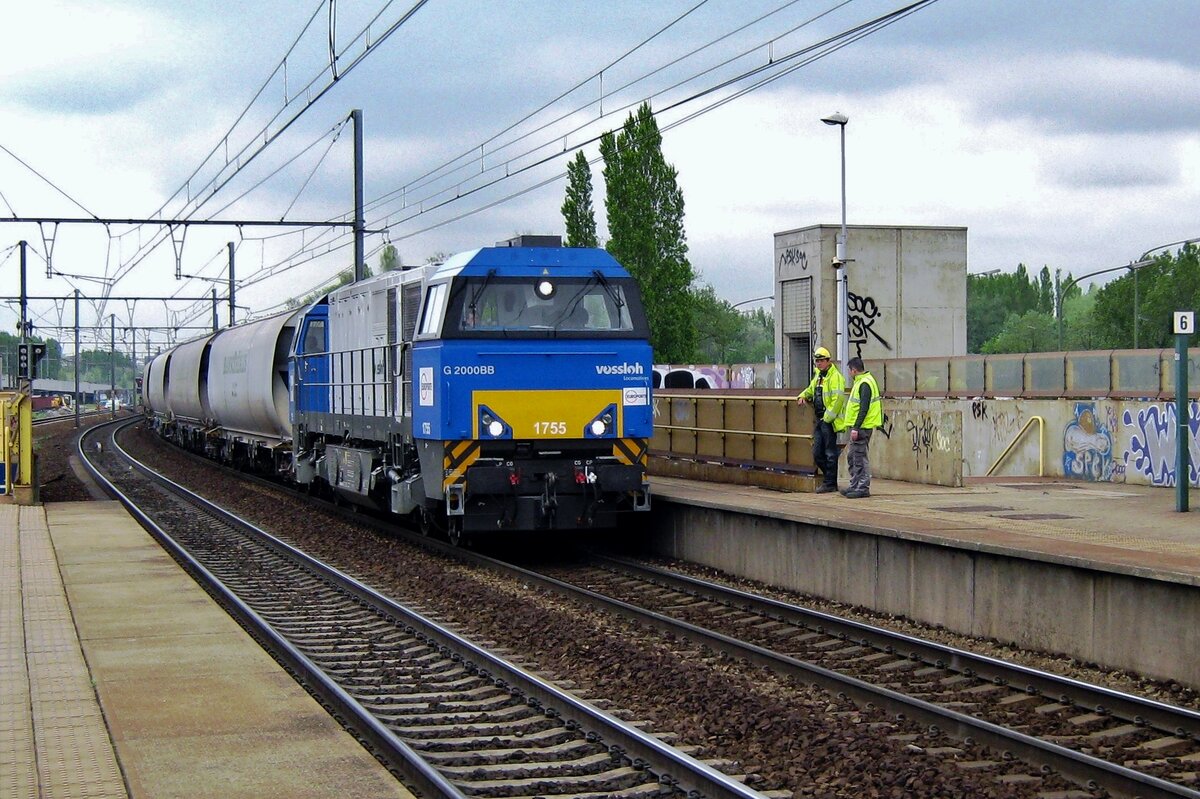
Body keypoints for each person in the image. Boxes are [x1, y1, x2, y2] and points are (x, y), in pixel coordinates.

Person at [796, 346, 846, 493]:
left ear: (828, 361)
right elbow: (811, 390)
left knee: (830, 452)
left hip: (828, 421)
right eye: (816, 361)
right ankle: (829, 479)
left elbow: (838, 399)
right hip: (820, 419)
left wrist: (828, 417)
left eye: (821, 361)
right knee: (817, 452)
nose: (818, 364)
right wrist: (803, 396)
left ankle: (830, 483)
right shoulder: (818, 376)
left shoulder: (835, 377)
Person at [840, 356, 882, 499]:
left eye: (849, 371)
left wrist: (856, 428)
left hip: (862, 427)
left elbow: (863, 408)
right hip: (860, 426)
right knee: (853, 456)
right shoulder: (862, 382)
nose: (849, 373)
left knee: (859, 457)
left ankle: (862, 487)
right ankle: (855, 485)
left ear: (854, 370)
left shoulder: (864, 383)